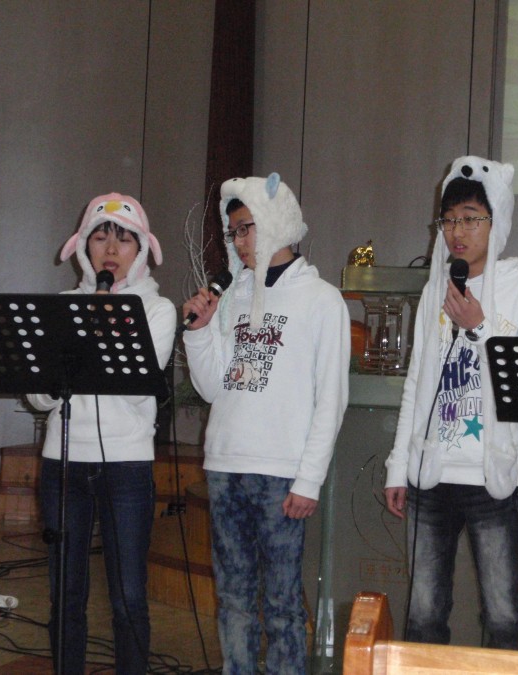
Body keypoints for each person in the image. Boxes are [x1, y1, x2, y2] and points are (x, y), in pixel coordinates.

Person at [384, 156, 518, 648]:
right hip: (431, 475)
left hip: (492, 480)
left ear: (496, 220)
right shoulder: (435, 289)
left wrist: (480, 328)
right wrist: (399, 465)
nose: (458, 232)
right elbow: (418, 382)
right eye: (449, 220)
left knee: (503, 616)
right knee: (423, 615)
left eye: (470, 219)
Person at [182, 173, 350, 674]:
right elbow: (212, 388)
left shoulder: (321, 299)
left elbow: (331, 399)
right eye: (233, 232)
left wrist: (309, 479)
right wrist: (200, 333)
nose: (239, 242)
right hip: (226, 466)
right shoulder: (233, 297)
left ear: (277, 222)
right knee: (233, 600)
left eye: (247, 228)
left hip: (281, 474)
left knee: (281, 605)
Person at [28, 193, 176, 675]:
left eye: (124, 239)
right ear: (83, 247)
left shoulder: (157, 310)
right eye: (100, 237)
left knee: (128, 594)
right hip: (63, 462)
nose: (111, 249)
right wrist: (56, 370)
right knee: (65, 591)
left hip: (127, 465)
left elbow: (135, 389)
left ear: (141, 249)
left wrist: (103, 322)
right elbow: (40, 399)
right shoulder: (61, 308)